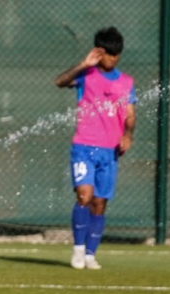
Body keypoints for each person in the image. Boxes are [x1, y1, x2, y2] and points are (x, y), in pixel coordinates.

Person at [55, 26, 136, 270]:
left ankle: (91, 254)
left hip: (109, 151)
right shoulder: (86, 75)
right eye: (109, 53)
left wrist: (128, 135)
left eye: (116, 54)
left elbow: (130, 115)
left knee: (100, 202)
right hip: (83, 147)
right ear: (99, 52)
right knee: (84, 196)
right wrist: (83, 63)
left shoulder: (126, 82)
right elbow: (60, 81)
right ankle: (78, 250)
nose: (113, 59)